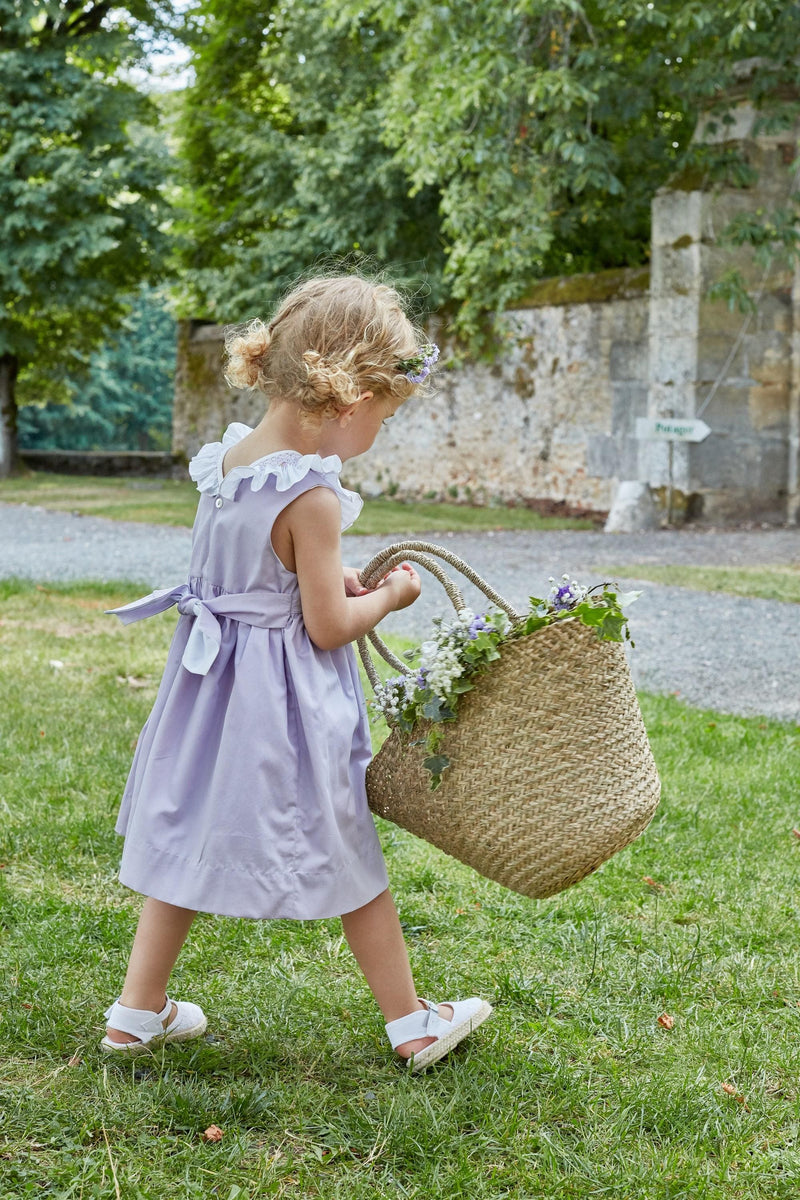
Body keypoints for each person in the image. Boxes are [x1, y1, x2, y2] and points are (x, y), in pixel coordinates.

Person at [101, 274, 492, 1072]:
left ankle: (134, 1016)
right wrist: (388, 596)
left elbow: (256, 580)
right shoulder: (311, 492)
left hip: (211, 696)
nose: (379, 431)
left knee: (187, 839)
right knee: (348, 848)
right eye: (384, 415)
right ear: (348, 398)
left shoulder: (228, 463)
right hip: (283, 706)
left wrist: (326, 583)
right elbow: (325, 626)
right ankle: (411, 1024)